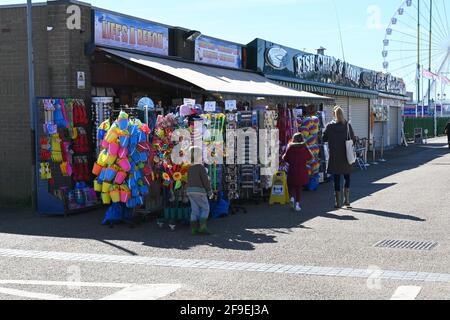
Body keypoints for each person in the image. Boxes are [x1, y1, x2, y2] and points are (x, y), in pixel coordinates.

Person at [323, 106, 356, 209]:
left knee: (336, 179)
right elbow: (353, 139)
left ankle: (337, 202)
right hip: (346, 156)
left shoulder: (329, 126)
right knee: (347, 177)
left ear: (334, 114)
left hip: (335, 156)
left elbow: (324, 139)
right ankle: (347, 200)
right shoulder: (347, 126)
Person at [282, 133, 314, 212]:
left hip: (292, 170)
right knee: (299, 188)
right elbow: (310, 158)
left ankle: (292, 198)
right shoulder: (305, 148)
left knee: (291, 186)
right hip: (302, 170)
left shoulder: (290, 148)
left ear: (294, 139)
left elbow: (285, 158)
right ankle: (297, 204)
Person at [186, 146, 213, 235]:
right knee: (205, 208)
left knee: (194, 210)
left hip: (190, 191)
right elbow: (205, 180)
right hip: (200, 191)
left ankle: (193, 229)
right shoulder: (200, 167)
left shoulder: (189, 167)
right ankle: (202, 227)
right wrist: (209, 191)